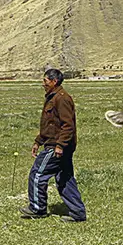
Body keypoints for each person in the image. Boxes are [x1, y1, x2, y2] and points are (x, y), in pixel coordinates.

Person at [20, 68, 87, 223]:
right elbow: (50, 125)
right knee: (65, 179)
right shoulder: (52, 97)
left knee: (37, 174)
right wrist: (38, 141)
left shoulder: (62, 99)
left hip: (56, 147)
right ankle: (78, 213)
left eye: (45, 81)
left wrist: (60, 145)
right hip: (54, 144)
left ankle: (37, 208)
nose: (43, 84)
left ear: (54, 81)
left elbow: (67, 125)